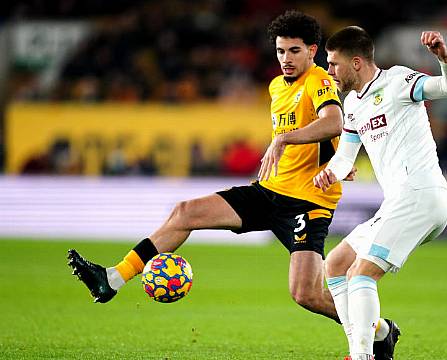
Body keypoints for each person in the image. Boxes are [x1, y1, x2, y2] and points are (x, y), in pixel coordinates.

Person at [69, 9, 345, 321]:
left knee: (306, 294)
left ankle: (377, 331)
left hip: (307, 202)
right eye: (280, 51)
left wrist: (284, 140)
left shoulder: (318, 79)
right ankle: (113, 279)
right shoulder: (277, 87)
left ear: (312, 50)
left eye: (294, 51)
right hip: (269, 192)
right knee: (185, 212)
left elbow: (334, 122)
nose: (286, 58)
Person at [314, 26, 447, 360]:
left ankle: (363, 355)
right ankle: (380, 335)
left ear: (356, 63)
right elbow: (345, 158)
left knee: (361, 273)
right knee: (336, 265)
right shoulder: (352, 104)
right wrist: (329, 174)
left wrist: (444, 58)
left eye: (333, 64)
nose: (329, 72)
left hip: (422, 195)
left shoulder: (398, 81)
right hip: (397, 202)